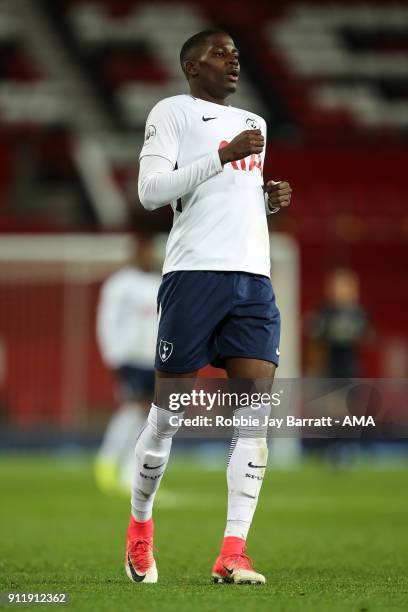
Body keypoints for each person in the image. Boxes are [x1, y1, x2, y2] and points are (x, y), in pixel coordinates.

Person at [125, 29, 292, 585]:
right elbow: (151, 191)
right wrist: (222, 155)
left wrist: (264, 202)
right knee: (168, 417)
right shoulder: (171, 112)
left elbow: (229, 200)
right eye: (220, 54)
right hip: (193, 276)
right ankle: (140, 530)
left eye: (237, 54)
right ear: (192, 67)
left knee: (253, 421)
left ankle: (233, 551)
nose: (233, 60)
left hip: (253, 279)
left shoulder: (257, 125)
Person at [95, 234, 161, 494]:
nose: (151, 256)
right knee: (132, 407)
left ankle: (128, 472)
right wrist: (112, 356)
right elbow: (107, 321)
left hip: (153, 358)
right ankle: (108, 460)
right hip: (129, 357)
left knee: (148, 414)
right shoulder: (119, 284)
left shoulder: (160, 282)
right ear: (135, 253)